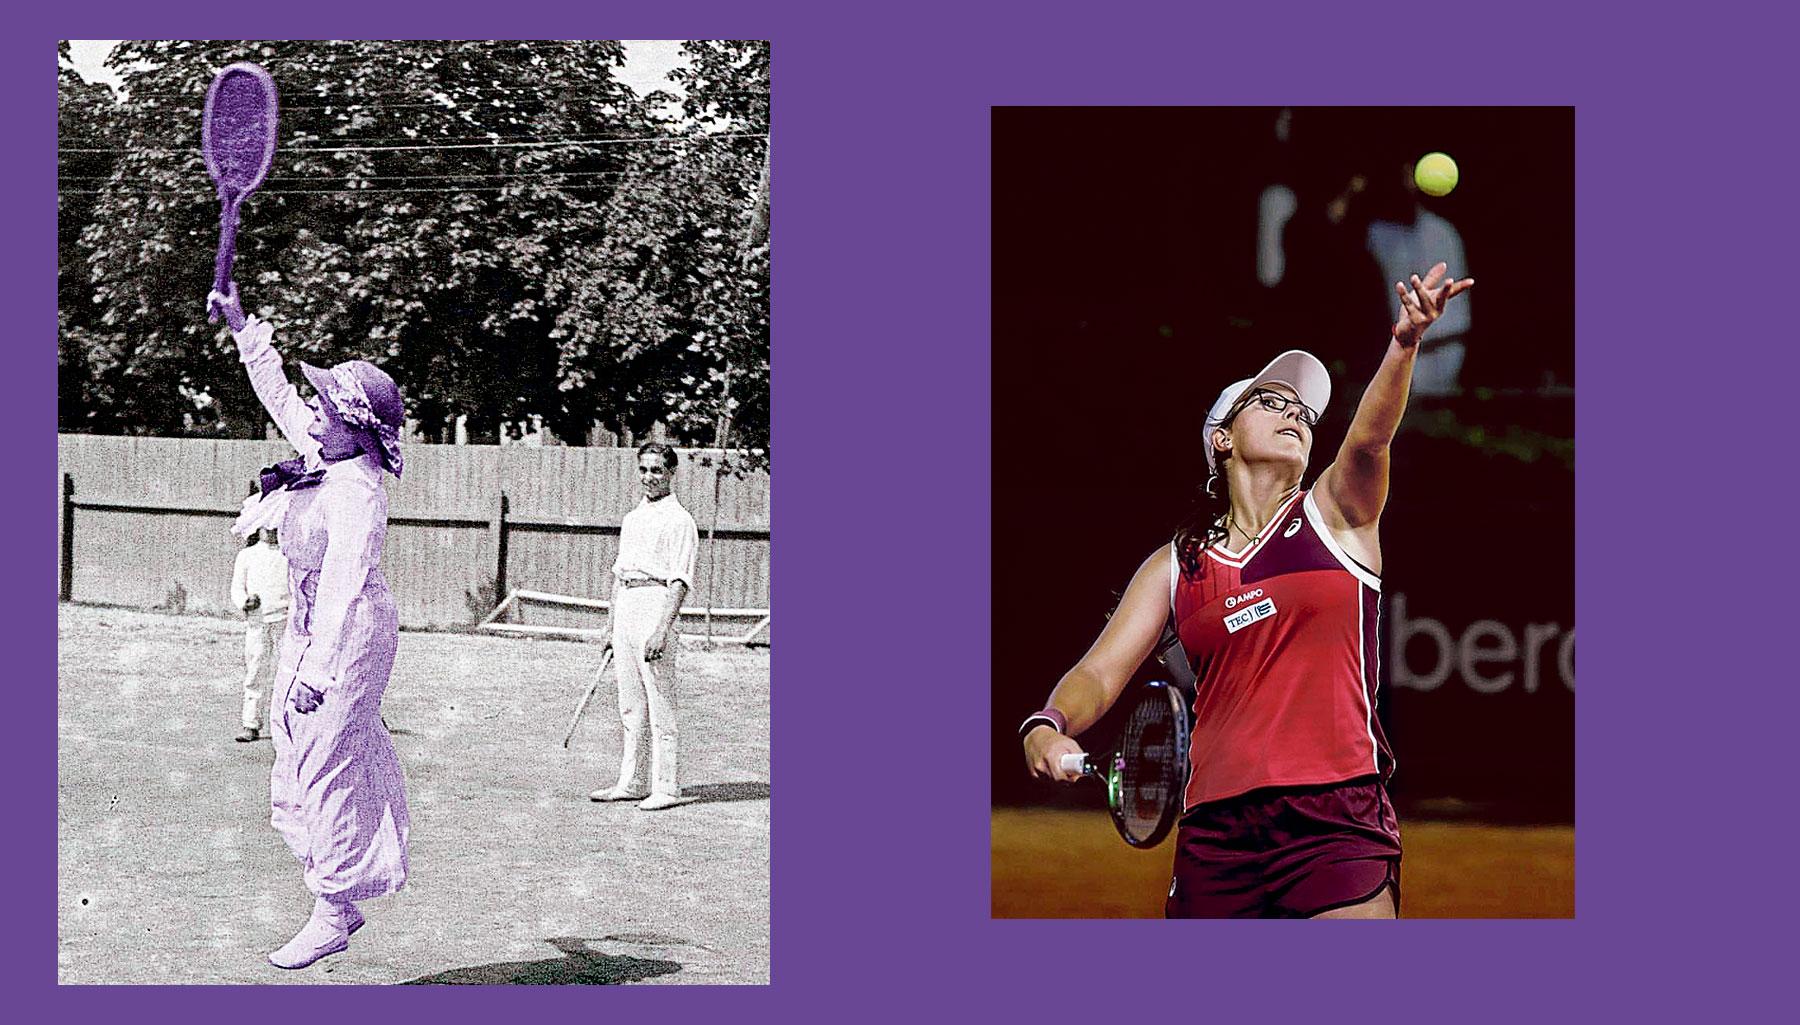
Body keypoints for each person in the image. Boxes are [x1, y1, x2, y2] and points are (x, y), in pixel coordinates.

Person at [1020, 262, 1472, 919]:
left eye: (1302, 411)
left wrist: (1404, 345)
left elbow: (1371, 441)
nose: (1293, 412)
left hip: (1334, 816)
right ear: (1222, 439)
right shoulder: (1178, 563)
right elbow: (1097, 670)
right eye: (1270, 402)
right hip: (1216, 833)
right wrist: (1048, 723)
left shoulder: (1334, 514)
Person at [207, 282, 412, 968]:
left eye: (326, 406)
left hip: (349, 633)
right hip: (308, 624)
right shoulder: (329, 452)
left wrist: (319, 672)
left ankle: (331, 907)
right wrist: (243, 326)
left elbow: (348, 586)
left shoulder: (358, 493)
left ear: (356, 426)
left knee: (326, 761)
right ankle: (339, 895)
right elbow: (275, 393)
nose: (312, 413)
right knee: (292, 757)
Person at [589, 442, 699, 812]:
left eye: (657, 470)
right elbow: (619, 575)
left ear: (671, 473)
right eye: (644, 469)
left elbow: (680, 580)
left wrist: (663, 629)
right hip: (627, 608)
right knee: (630, 704)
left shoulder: (680, 520)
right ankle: (633, 782)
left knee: (660, 702)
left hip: (656, 606)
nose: (649, 477)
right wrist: (609, 626)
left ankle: (666, 787)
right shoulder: (633, 518)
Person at [229, 527, 290, 742]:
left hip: (285, 621)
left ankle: (288, 723)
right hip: (258, 622)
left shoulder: (289, 554)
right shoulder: (247, 555)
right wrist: (245, 601)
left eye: (275, 526)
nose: (271, 530)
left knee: (288, 672)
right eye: (266, 526)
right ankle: (251, 723)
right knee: (255, 671)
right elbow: (237, 588)